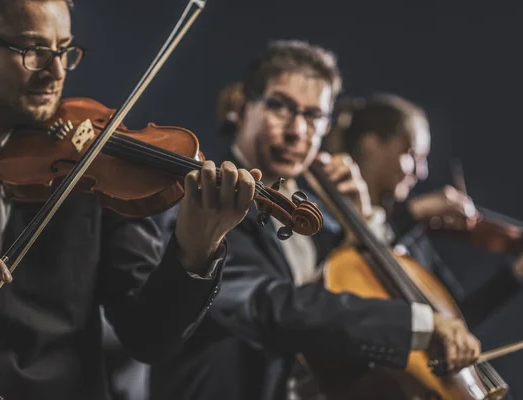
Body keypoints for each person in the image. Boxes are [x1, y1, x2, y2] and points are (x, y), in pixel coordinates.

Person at [0, 1, 261, 399]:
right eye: (34, 52)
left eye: (64, 50)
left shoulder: (96, 169)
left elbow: (149, 339)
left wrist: (196, 248)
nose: (56, 72)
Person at [149, 40, 482, 400]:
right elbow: (267, 304)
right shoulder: (206, 199)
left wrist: (363, 221)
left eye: (313, 116)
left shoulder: (317, 219)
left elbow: (354, 289)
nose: (297, 131)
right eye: (280, 107)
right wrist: (417, 325)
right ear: (243, 107)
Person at [325, 93, 523, 328]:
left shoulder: (412, 235)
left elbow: (454, 322)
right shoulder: (326, 215)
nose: (422, 172)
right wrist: (415, 213)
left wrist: (514, 277)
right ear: (371, 145)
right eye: (411, 154)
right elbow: (358, 256)